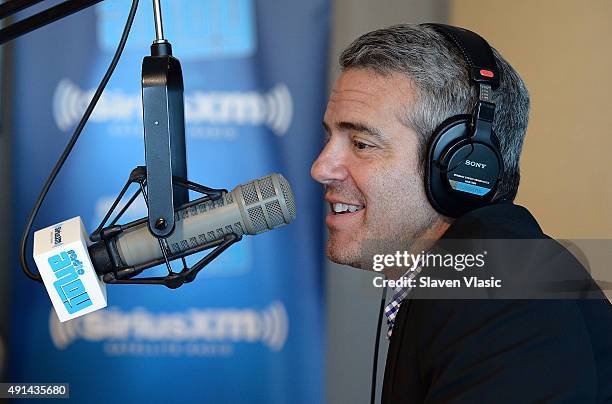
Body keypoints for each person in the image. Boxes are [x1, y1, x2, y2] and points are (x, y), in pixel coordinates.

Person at [311, 23, 612, 403]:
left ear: (462, 165)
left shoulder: (497, 287)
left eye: (361, 143)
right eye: (329, 138)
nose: (321, 168)